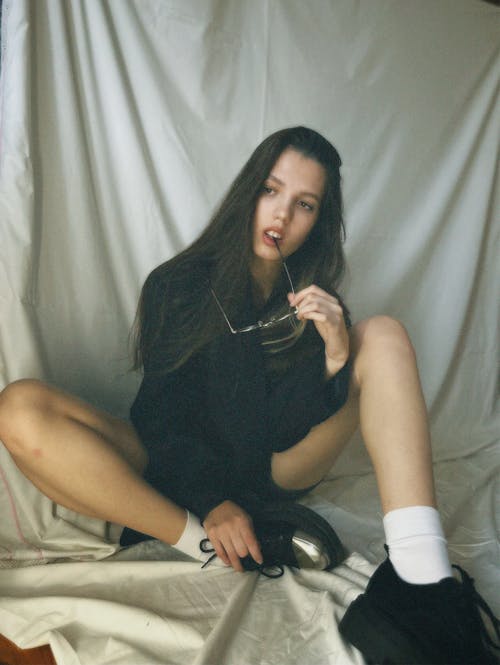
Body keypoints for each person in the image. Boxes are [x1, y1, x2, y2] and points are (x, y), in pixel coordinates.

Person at [0, 127, 497, 663]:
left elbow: (286, 430)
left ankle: (424, 582)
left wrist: (332, 360)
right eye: (270, 190)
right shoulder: (176, 284)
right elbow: (160, 419)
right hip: (179, 468)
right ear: (247, 192)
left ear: (318, 221)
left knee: (382, 334)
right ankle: (210, 547)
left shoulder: (312, 302)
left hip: (271, 468)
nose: (281, 216)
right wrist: (212, 503)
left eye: (304, 204)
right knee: (18, 407)